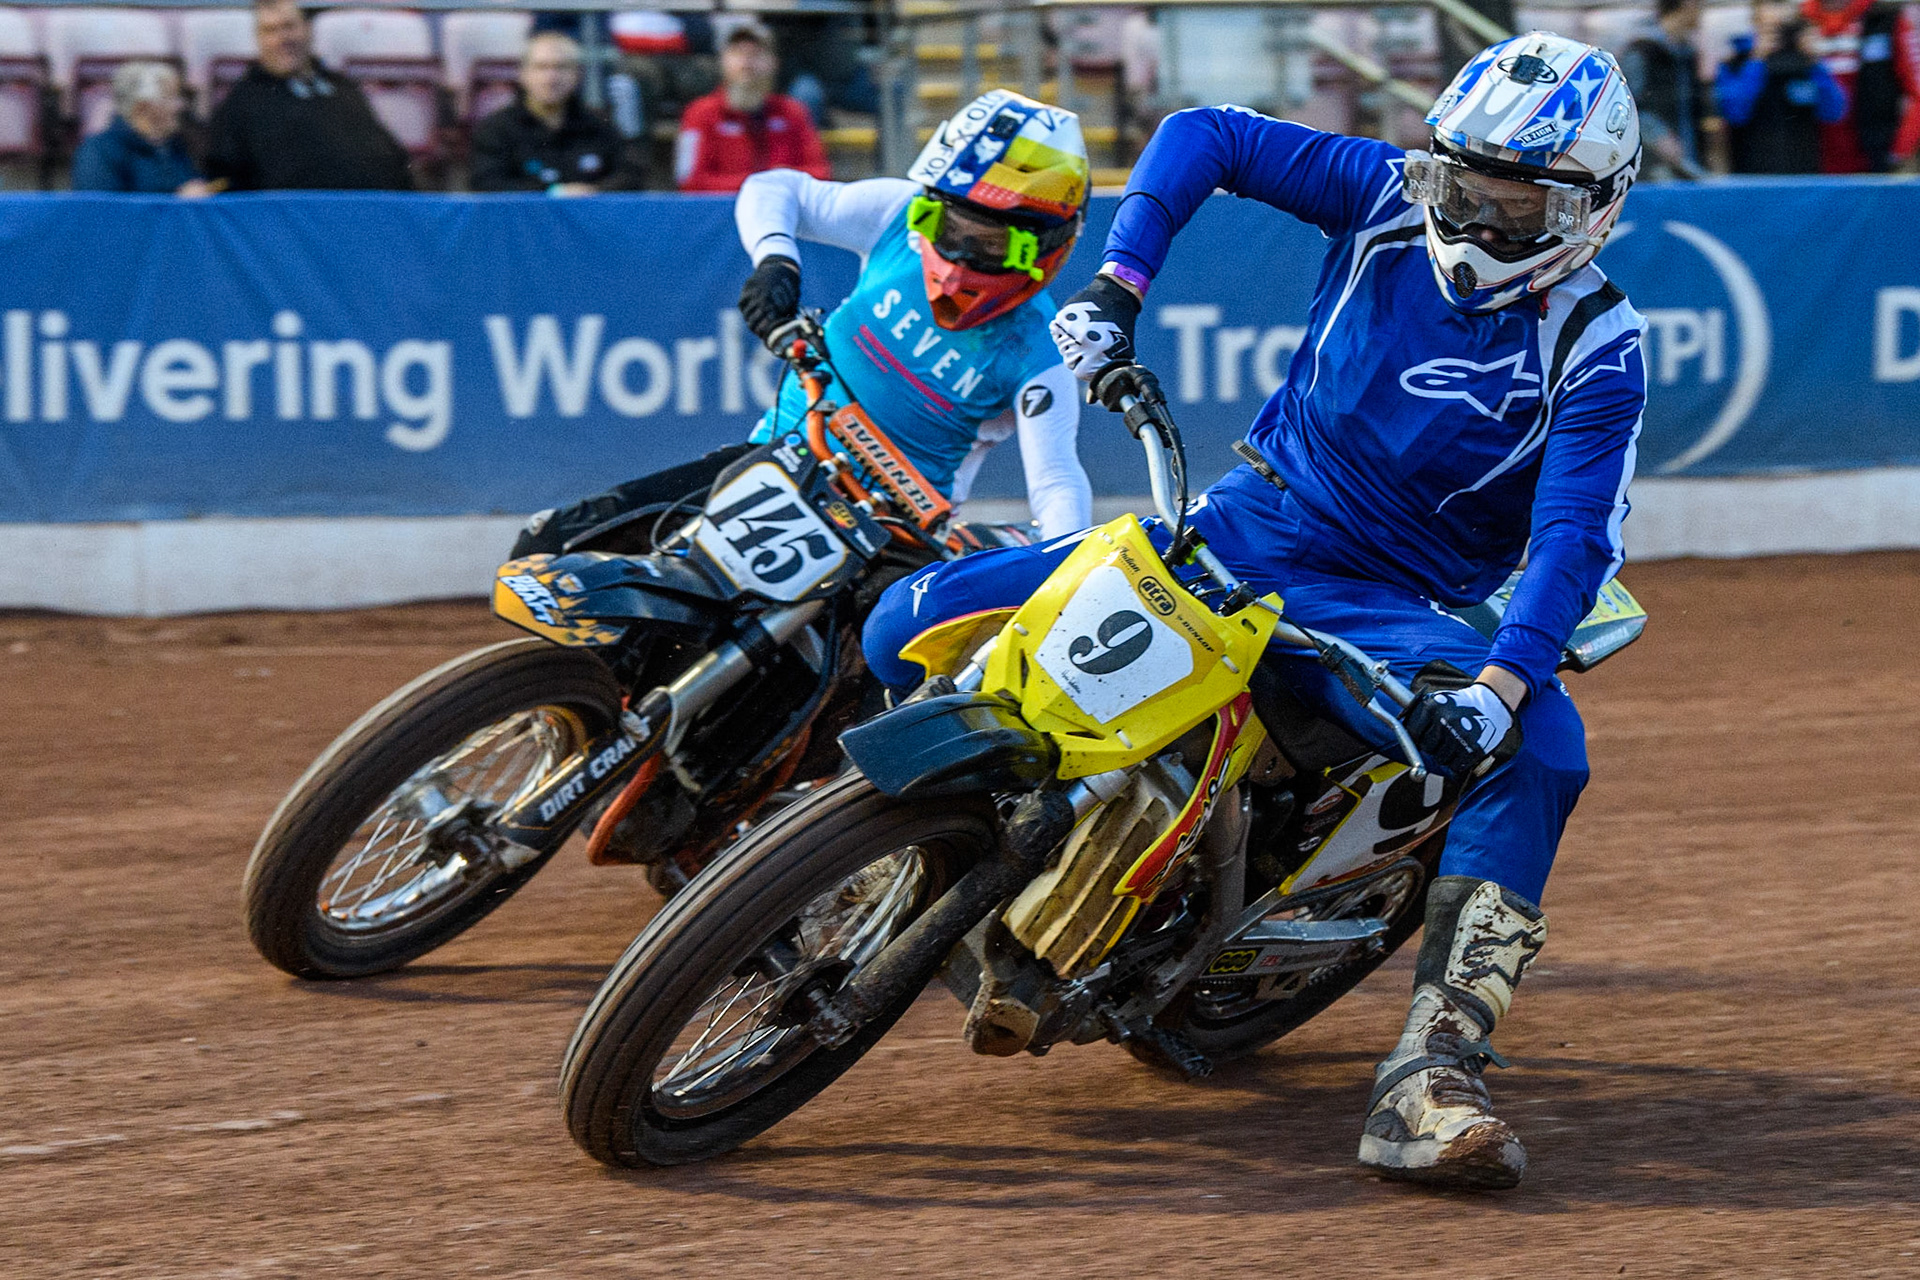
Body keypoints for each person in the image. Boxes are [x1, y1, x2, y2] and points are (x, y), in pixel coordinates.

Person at [863, 35, 1647, 1192]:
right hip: (1237, 522)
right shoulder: (1385, 195)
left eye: (1512, 197)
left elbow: (1575, 537)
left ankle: (1432, 1070)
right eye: (1461, 179)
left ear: (1590, 206)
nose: (1473, 215)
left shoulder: (1597, 342)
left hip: (1391, 605)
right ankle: (910, 858)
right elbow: (1205, 136)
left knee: (1544, 745)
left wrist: (1502, 684)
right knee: (903, 619)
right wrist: (1116, 283)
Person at [512, 90, 1093, 565]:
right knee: (552, 546)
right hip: (772, 463)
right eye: (944, 225)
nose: (956, 256)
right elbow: (775, 189)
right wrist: (776, 260)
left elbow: (1057, 482)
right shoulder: (897, 215)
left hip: (887, 539)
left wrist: (1059, 570)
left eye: (988, 244)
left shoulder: (1040, 354)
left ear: (1042, 250)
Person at [204, 0, 414, 192]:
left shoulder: (342, 87)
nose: (282, 39)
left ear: (307, 29)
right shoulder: (243, 100)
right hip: (294, 223)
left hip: (378, 213)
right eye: (270, 31)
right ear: (258, 40)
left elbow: (390, 154)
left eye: (289, 26)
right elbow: (223, 174)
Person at [470, 32, 644, 193]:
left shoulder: (600, 123)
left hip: (587, 223)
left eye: (561, 67)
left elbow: (632, 175)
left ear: (578, 74)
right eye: (541, 67)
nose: (551, 78)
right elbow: (486, 184)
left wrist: (593, 192)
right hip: (523, 224)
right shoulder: (496, 129)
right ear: (523, 74)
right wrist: (553, 194)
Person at [675, 20, 828, 193]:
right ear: (722, 60)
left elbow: (820, 173)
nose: (747, 60)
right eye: (738, 52)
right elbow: (689, 180)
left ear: (775, 63)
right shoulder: (699, 113)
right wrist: (761, 184)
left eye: (757, 53)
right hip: (720, 214)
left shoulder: (793, 112)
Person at [1718, 1, 1850, 172]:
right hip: (1753, 174)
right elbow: (1735, 113)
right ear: (1755, 20)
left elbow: (1834, 112)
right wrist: (1757, 61)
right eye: (1770, 30)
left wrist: (1815, 63)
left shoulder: (1806, 61)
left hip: (1802, 172)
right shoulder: (1735, 61)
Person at [1802, 0, 1920, 171]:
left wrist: (1899, 151)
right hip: (1808, 163)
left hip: (1876, 159)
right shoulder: (1797, 22)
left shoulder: (1887, 20)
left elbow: (1916, 93)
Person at [71, 62, 210, 195]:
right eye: (170, 97)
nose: (180, 106)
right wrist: (176, 203)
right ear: (143, 107)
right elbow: (101, 211)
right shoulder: (99, 151)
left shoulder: (175, 147)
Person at [1622, 0, 1714, 177]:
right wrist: (1658, 136)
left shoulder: (1687, 53)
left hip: (1686, 160)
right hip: (1652, 166)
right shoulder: (1643, 51)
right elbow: (1627, 106)